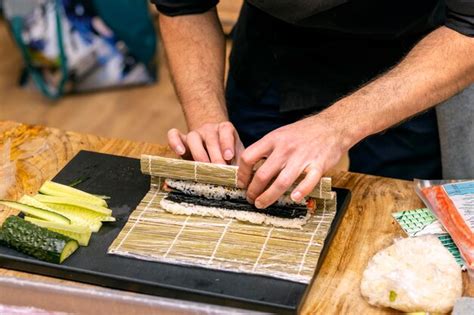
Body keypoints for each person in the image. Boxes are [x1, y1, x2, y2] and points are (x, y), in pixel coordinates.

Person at [152, 0, 474, 209]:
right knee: (245, 203)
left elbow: (468, 29)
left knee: (391, 223)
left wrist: (334, 126)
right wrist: (207, 118)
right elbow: (183, 6)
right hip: (273, 48)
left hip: (416, 54)